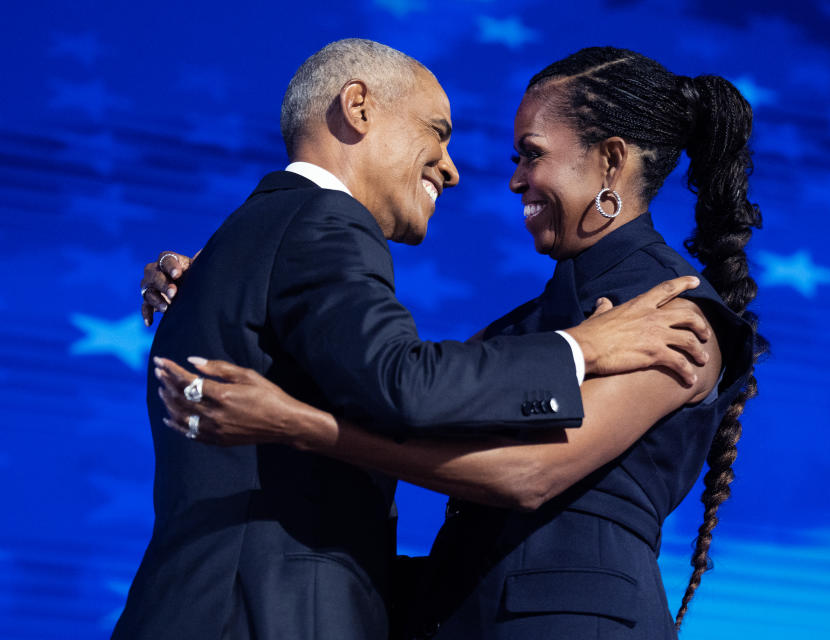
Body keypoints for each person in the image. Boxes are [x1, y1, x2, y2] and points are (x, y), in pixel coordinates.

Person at [150, 46, 764, 639]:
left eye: (531, 154)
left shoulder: (672, 314)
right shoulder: (524, 329)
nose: (514, 180)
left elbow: (529, 475)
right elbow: (403, 391)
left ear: (611, 161)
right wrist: (232, 279)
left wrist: (299, 425)